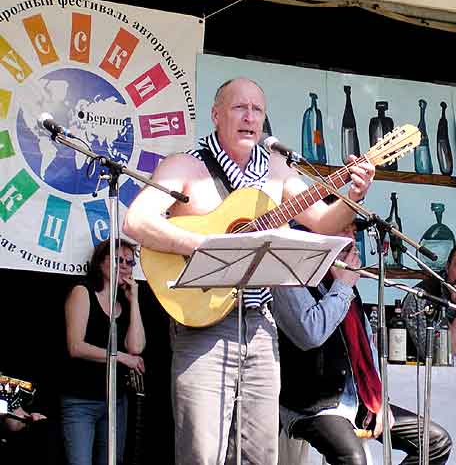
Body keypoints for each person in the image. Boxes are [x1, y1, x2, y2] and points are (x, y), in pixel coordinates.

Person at [122, 77, 375, 465]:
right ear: (216, 114)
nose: (249, 117)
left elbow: (324, 221)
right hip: (203, 325)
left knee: (260, 453)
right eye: (240, 107)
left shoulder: (277, 169)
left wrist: (354, 195)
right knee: (201, 452)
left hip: (261, 326)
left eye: (257, 110)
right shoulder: (186, 166)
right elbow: (137, 221)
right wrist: (206, 247)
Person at [272, 223, 452, 465]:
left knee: (436, 442)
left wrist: (380, 398)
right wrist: (343, 287)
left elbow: (368, 346)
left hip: (358, 400)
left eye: (352, 229)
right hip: (312, 405)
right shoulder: (291, 278)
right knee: (353, 458)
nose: (351, 237)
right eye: (343, 228)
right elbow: (310, 333)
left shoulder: (346, 282)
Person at [60, 239, 146, 465]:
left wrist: (135, 301)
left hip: (115, 401)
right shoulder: (83, 292)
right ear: (100, 262)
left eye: (129, 262)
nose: (124, 266)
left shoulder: (123, 302)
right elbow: (76, 347)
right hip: (81, 400)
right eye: (118, 260)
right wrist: (122, 358)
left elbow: (136, 347)